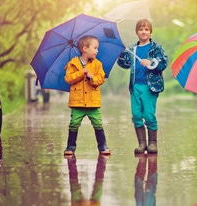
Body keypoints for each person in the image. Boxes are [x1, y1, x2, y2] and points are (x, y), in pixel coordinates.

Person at [117, 19, 168, 154]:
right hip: (135, 86)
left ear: (150, 32)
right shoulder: (133, 49)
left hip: (150, 87)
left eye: (146, 29)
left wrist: (151, 62)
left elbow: (163, 62)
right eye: (141, 29)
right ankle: (141, 143)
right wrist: (121, 52)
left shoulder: (155, 48)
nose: (144, 32)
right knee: (136, 115)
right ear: (137, 32)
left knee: (149, 115)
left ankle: (152, 143)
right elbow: (124, 64)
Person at [63, 35, 111, 156]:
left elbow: (101, 79)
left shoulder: (97, 64)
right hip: (77, 103)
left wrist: (91, 77)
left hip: (92, 102)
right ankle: (70, 146)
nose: (97, 51)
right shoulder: (72, 64)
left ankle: (102, 146)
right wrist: (81, 73)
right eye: (95, 48)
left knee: (98, 123)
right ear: (85, 48)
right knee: (74, 124)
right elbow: (68, 78)